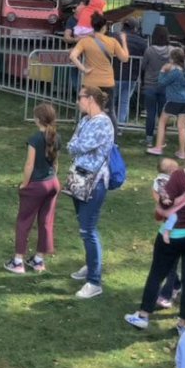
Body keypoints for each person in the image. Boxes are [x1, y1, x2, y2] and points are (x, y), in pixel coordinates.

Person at [126, 135, 185, 330]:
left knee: (157, 274)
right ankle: (184, 322)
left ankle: (144, 315)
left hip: (172, 234)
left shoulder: (179, 176)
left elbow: (164, 203)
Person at [67, 85, 115, 300]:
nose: (78, 101)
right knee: (83, 226)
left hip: (94, 183)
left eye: (81, 97)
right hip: (79, 179)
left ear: (92, 99)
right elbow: (71, 145)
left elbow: (79, 146)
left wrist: (76, 144)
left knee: (88, 230)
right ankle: (91, 264)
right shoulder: (85, 120)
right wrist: (76, 144)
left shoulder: (103, 124)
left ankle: (94, 282)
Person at [5, 102, 59, 274]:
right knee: (46, 222)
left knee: (24, 221)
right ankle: (38, 260)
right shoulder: (56, 137)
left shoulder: (35, 139)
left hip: (37, 185)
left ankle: (18, 261)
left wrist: (24, 184)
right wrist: (54, 177)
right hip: (52, 184)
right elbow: (56, 162)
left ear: (37, 119)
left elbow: (29, 165)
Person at [70, 12, 129, 114]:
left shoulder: (85, 41)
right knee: (109, 112)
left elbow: (72, 56)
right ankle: (112, 130)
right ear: (104, 27)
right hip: (107, 81)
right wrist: (124, 41)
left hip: (90, 81)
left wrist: (83, 69)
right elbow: (125, 58)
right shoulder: (112, 41)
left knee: (87, 111)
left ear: (92, 26)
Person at [149, 48, 185, 158]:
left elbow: (161, 82)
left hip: (174, 100)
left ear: (173, 59)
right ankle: (182, 152)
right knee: (181, 127)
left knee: (162, 122)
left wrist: (163, 71)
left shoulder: (175, 72)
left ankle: (158, 147)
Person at [141, 24, 172, 149]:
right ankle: (162, 139)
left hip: (150, 85)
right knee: (163, 114)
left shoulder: (149, 50)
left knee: (150, 114)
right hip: (165, 86)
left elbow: (143, 66)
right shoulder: (171, 50)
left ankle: (148, 139)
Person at [113, 18, 145, 126]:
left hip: (114, 74)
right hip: (131, 76)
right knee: (124, 102)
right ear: (135, 28)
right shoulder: (142, 42)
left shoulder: (114, 37)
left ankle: (110, 125)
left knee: (111, 101)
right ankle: (120, 126)